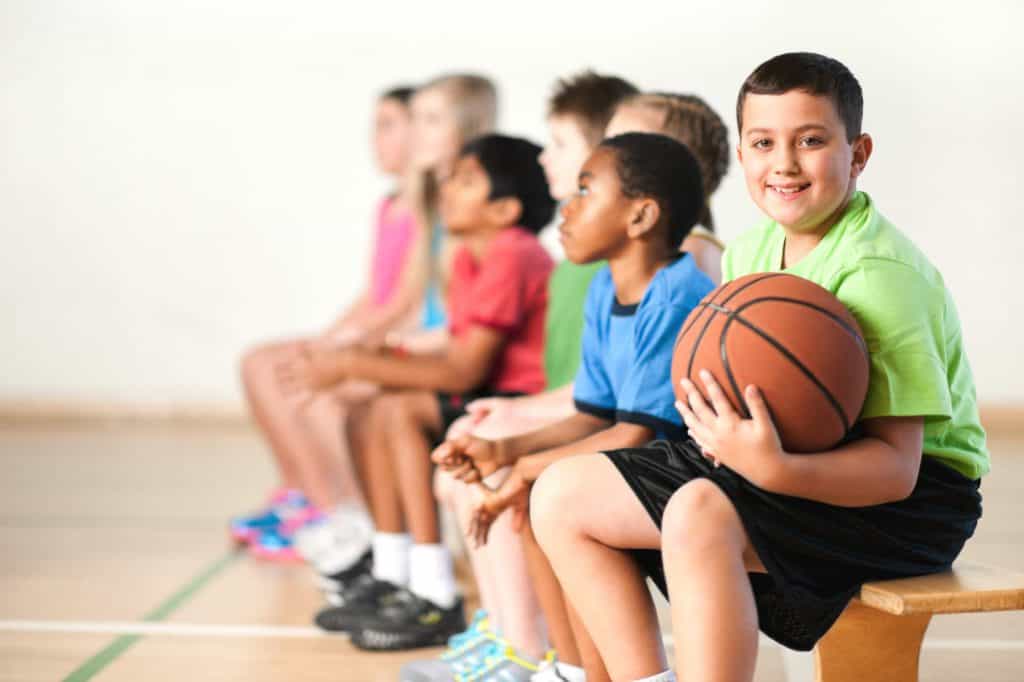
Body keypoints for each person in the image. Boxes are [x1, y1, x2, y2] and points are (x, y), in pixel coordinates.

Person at [532, 52, 988, 682]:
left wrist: (772, 466)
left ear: (858, 154)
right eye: (764, 142)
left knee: (697, 511)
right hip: (776, 459)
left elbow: (897, 468)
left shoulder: (882, 275)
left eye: (811, 140)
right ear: (742, 158)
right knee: (561, 494)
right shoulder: (749, 251)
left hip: (911, 502)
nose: (785, 163)